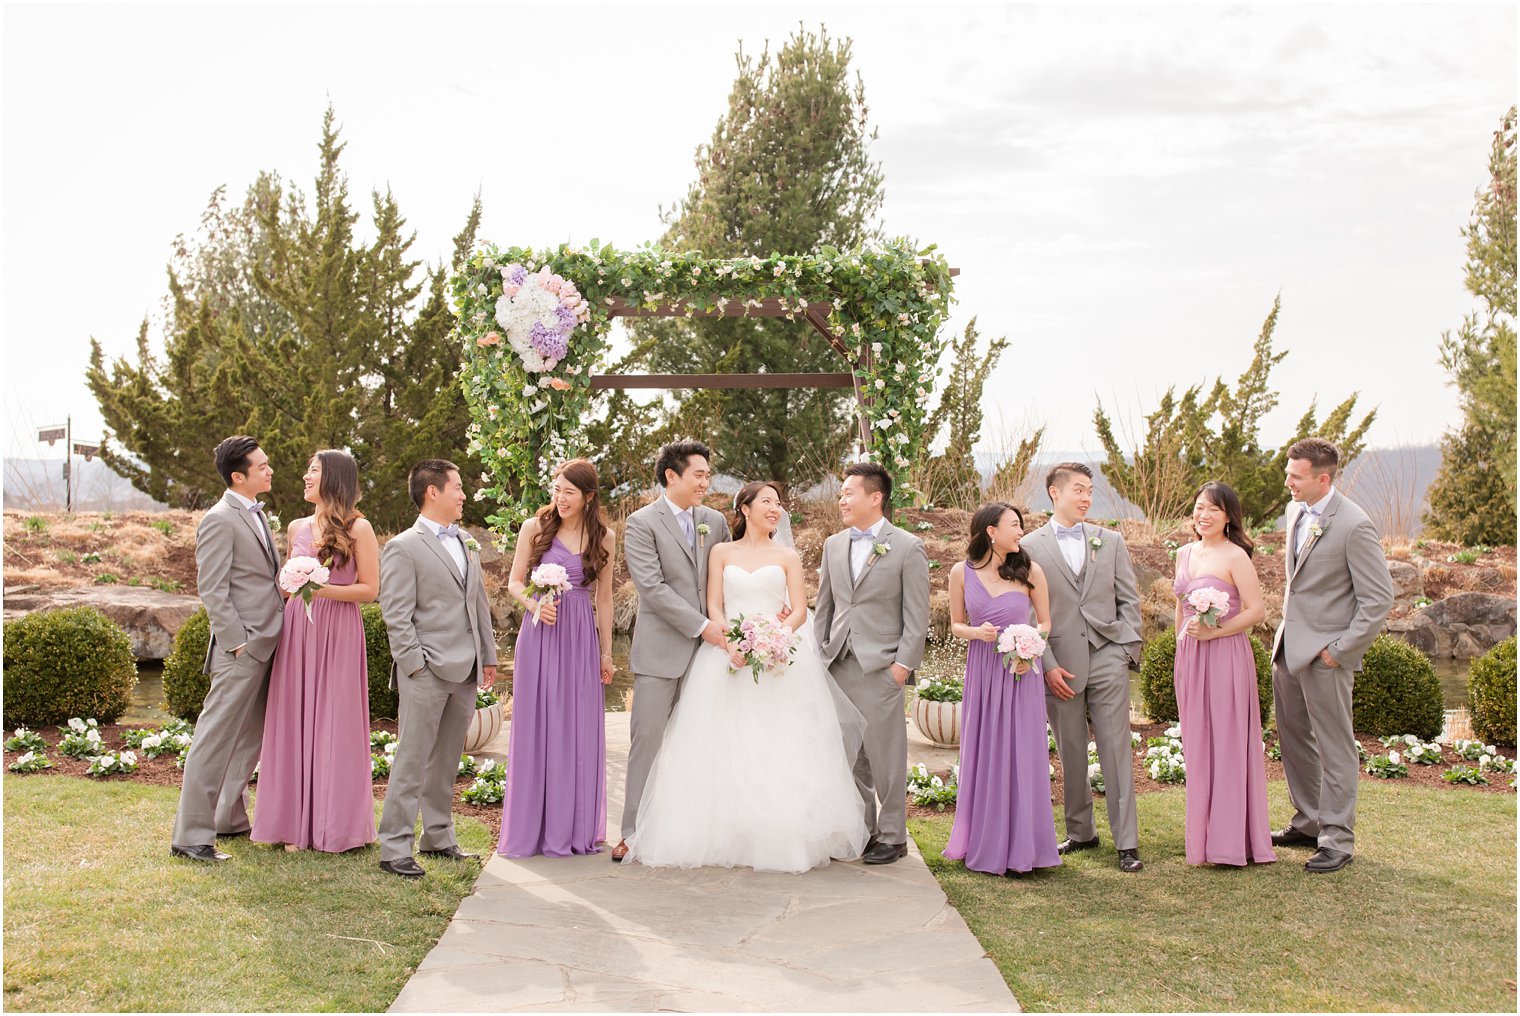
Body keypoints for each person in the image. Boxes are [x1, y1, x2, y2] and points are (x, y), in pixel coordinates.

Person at [628, 481, 868, 872]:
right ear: (745, 508)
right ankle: (722, 832)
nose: (776, 509)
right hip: (727, 655)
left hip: (778, 660)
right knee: (721, 744)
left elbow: (798, 611)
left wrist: (776, 638)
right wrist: (730, 642)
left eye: (778, 503)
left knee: (781, 744)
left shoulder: (787, 555)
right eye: (767, 502)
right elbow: (714, 605)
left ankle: (780, 833)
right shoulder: (721, 551)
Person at [1271, 439, 1394, 874]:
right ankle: (1308, 821)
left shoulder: (1354, 525)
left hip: (1326, 657)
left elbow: (1378, 599)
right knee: (1294, 740)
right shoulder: (1293, 512)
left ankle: (1337, 839)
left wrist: (1339, 652)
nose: (1287, 481)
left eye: (1295, 475)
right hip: (1287, 650)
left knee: (1335, 747)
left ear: (1323, 479)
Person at [250, 450, 378, 853]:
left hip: (339, 629)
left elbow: (370, 590)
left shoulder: (360, 528)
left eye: (314, 470)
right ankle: (290, 824)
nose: (305, 476)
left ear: (334, 478)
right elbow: (286, 586)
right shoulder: (295, 527)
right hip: (297, 630)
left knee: (334, 720)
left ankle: (332, 825)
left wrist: (321, 589)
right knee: (292, 718)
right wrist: (291, 582)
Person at [376, 459, 498, 878]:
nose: (464, 494)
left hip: (466, 669)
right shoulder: (402, 547)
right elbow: (396, 614)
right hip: (425, 672)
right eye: (458, 487)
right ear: (433, 492)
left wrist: (489, 656)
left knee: (447, 760)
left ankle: (439, 837)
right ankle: (394, 846)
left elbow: (477, 603)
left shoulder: (466, 541)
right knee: (411, 760)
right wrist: (414, 666)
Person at [1020, 462, 1145, 873]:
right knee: (1070, 748)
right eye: (1078, 489)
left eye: (1089, 490)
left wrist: (1127, 649)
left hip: (1108, 654)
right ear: (1054, 493)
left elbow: (1129, 600)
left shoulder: (1110, 541)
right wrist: (1048, 664)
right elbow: (1026, 610)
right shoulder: (1029, 546)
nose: (1086, 497)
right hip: (1059, 663)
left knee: (1116, 749)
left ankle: (1127, 842)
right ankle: (1081, 832)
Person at [612, 440, 731, 863]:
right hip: (662, 652)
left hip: (710, 659)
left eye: (707, 474)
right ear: (671, 476)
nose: (706, 482)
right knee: (647, 741)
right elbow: (652, 588)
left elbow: (730, 574)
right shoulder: (642, 523)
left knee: (700, 744)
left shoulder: (715, 521)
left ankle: (692, 831)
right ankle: (633, 832)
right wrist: (703, 626)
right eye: (699, 474)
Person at [171, 436, 284, 862]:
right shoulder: (219, 519)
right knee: (215, 740)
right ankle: (191, 837)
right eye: (262, 466)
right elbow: (212, 590)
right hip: (243, 648)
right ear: (239, 476)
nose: (270, 470)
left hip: (269, 642)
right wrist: (239, 643)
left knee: (250, 739)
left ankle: (228, 818)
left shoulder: (256, 515)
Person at [814, 462, 931, 865]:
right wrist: (820, 654)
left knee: (886, 756)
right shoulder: (833, 545)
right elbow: (825, 607)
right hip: (839, 664)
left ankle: (894, 835)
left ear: (875, 497)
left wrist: (902, 666)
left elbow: (917, 617)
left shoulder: (908, 546)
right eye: (841, 494)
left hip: (882, 668)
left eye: (849, 492)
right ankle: (862, 830)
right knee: (849, 755)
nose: (842, 500)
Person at [498, 459, 615, 858]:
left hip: (581, 635)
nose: (560, 498)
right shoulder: (535, 529)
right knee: (538, 726)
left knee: (578, 727)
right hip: (542, 634)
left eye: (568, 491)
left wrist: (607, 653)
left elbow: (604, 598)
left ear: (589, 496)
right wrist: (534, 605)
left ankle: (573, 828)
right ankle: (533, 828)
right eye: (556, 489)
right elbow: (514, 582)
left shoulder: (605, 537)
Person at [945, 502, 1061, 876]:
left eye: (1021, 525)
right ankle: (984, 840)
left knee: (1022, 752)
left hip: (1021, 671)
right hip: (983, 671)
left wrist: (1030, 648)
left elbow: (1044, 623)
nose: (1020, 531)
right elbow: (956, 625)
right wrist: (976, 633)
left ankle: (1026, 845)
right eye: (1014, 525)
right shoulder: (960, 572)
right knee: (986, 750)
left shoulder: (1031, 571)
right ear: (991, 531)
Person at [1171, 481, 1274, 867]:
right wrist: (1179, 649)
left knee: (1228, 743)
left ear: (1228, 516)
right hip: (1191, 657)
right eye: (1199, 507)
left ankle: (1231, 843)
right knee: (1197, 744)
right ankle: (1201, 841)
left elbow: (1256, 611)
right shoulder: (1183, 553)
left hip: (1227, 655)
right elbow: (1180, 607)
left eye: (1213, 509)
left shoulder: (1236, 557)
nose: (1203, 515)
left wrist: (1216, 631)